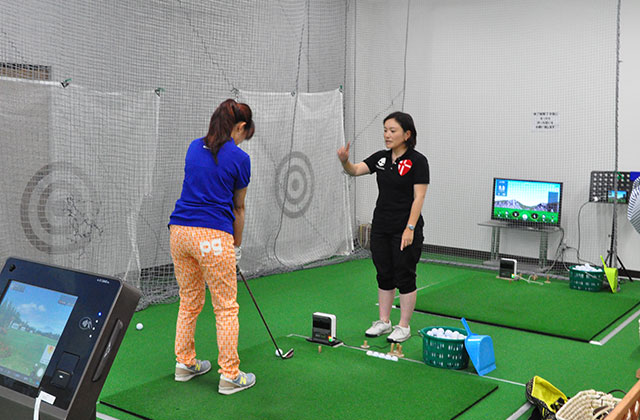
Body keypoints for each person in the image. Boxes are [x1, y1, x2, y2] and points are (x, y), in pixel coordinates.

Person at [168, 98, 256, 395]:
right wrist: (236, 245)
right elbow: (238, 207)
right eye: (245, 134)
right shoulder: (240, 159)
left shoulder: (194, 147)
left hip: (179, 233)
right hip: (212, 237)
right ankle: (230, 376)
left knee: (189, 300)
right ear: (240, 126)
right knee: (226, 307)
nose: (243, 140)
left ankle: (185, 363)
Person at [337, 111, 429, 343]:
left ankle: (404, 326)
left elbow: (419, 197)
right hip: (381, 226)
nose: (387, 135)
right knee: (384, 273)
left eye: (392, 131)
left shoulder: (418, 161)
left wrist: (409, 228)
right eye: (385, 130)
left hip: (405, 228)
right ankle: (384, 321)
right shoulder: (381, 158)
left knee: (404, 275)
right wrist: (345, 161)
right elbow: (355, 170)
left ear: (407, 134)